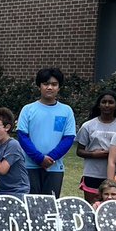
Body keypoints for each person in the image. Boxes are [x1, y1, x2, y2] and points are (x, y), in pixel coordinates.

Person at [17, 67, 75, 197]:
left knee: (50, 206)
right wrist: (39, 158)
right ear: (39, 86)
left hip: (54, 167)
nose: (50, 87)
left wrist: (51, 158)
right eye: (46, 84)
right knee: (30, 204)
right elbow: (23, 137)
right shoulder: (28, 109)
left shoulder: (66, 111)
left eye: (54, 84)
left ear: (59, 87)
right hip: (30, 166)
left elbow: (68, 138)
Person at [75, 91, 116, 201]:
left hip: (115, 173)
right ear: (98, 105)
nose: (107, 105)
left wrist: (112, 154)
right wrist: (93, 154)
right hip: (92, 173)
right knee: (93, 207)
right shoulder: (88, 126)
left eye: (111, 102)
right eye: (104, 102)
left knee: (112, 207)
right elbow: (79, 151)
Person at [0, 107, 29, 198]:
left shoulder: (13, 145)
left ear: (7, 127)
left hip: (17, 191)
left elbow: (2, 169)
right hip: (1, 189)